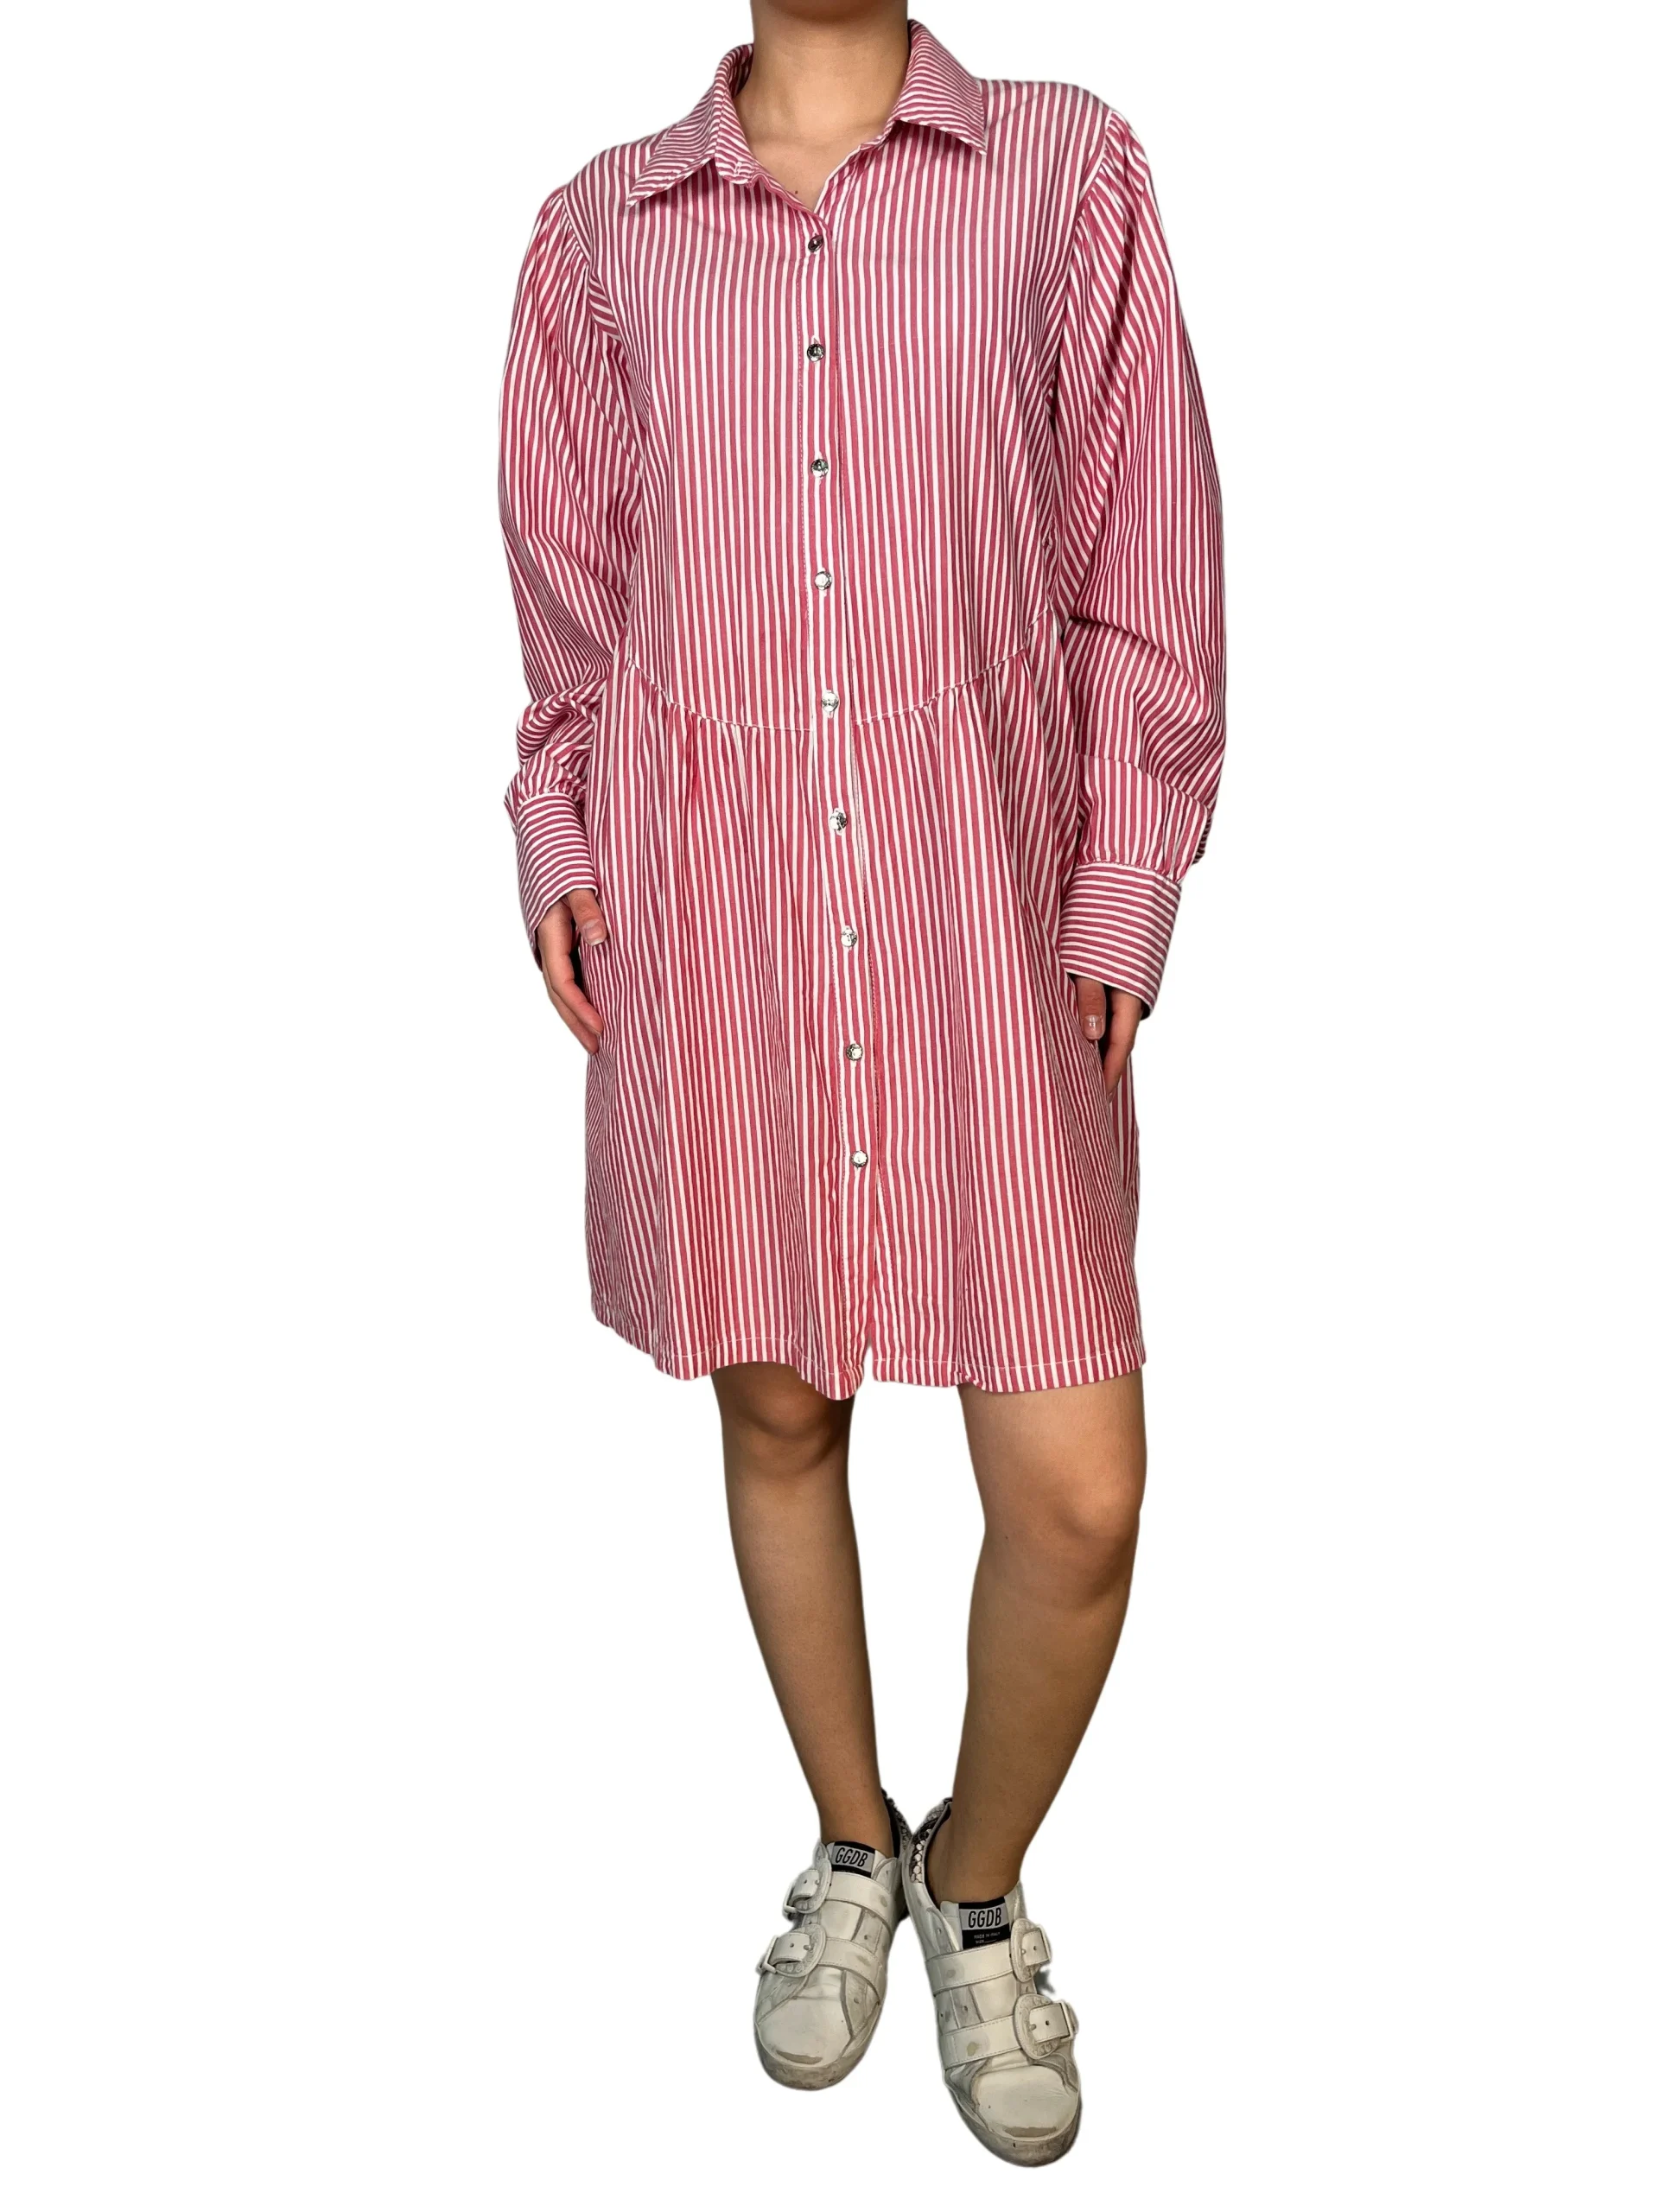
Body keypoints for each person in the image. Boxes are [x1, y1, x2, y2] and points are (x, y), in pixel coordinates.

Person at [497, 3, 1224, 2168]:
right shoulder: (598, 236)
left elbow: (1146, 562)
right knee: (779, 1405)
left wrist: (1127, 872)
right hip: (718, 923)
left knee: (1077, 1492)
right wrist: (559, 833)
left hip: (987, 921)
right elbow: (569, 607)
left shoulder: (1066, 174)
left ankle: (970, 1880)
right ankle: (845, 1834)